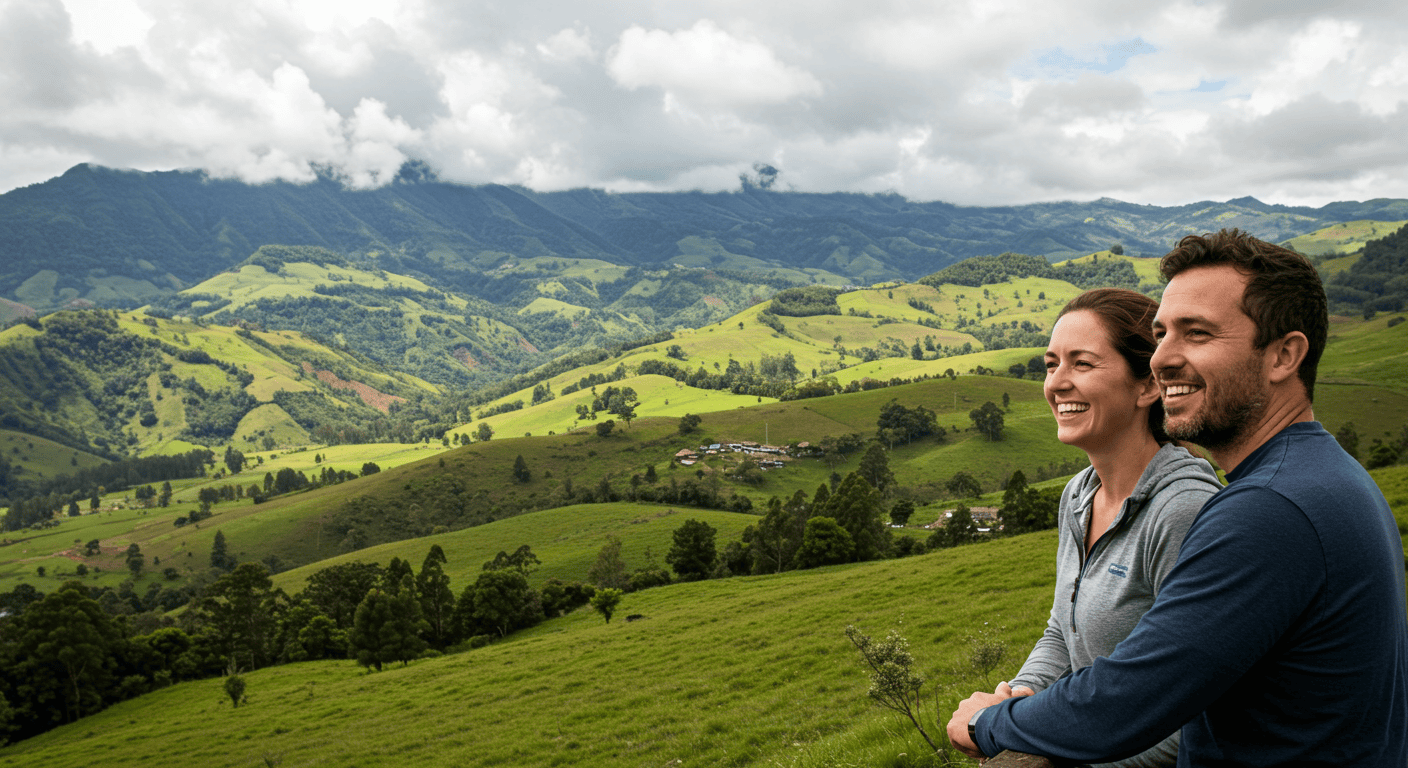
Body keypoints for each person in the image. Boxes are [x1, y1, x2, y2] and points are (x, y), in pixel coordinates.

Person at [947, 229, 1408, 766]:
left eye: (1198, 334)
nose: (1162, 358)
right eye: (1162, 333)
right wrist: (1027, 698)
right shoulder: (1315, 474)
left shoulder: (1267, 509)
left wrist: (989, 722)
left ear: (1284, 355)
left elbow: (1126, 704)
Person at [994, 288, 1221, 768]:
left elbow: (1196, 717)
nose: (1057, 383)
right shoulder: (1078, 495)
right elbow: (1062, 629)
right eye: (1051, 364)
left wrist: (1060, 753)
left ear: (1147, 386)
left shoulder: (1184, 511)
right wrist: (1018, 696)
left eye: (1082, 364)